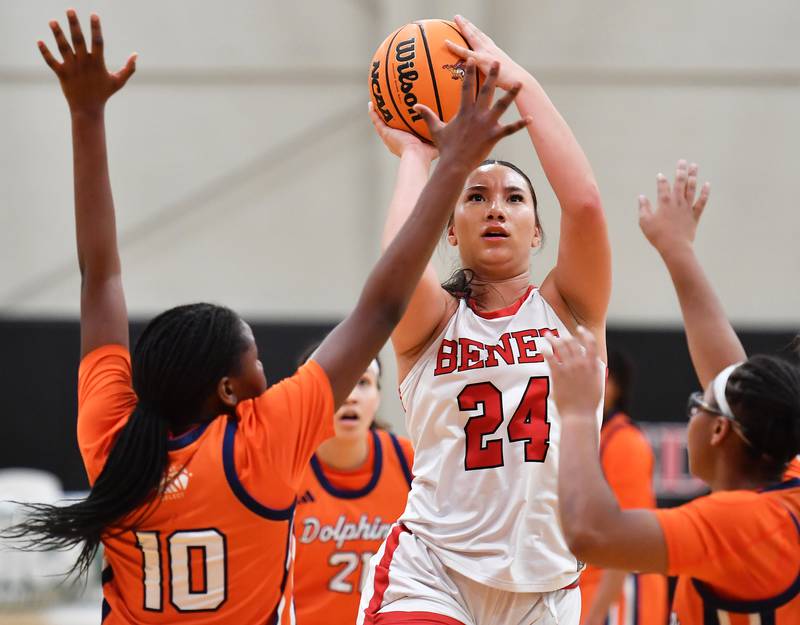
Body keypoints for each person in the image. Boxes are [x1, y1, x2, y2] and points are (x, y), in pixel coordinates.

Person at [7, 11, 530, 625]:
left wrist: (86, 117)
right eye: (254, 360)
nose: (266, 373)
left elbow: (102, 281)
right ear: (228, 391)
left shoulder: (112, 439)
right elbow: (384, 305)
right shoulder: (259, 442)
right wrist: (447, 165)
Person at [359, 14, 611, 625]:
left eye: (514, 198)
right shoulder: (430, 324)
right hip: (432, 573)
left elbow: (583, 203)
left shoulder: (569, 309)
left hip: (547, 587)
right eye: (476, 196)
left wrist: (518, 81)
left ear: (537, 231)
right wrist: (418, 154)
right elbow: (396, 267)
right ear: (449, 228)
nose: (496, 208)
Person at [550, 161, 800, 624]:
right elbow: (729, 379)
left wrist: (580, 413)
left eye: (697, 405)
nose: (694, 412)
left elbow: (592, 533)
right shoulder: (785, 479)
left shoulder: (743, 523)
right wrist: (677, 249)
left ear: (721, 430)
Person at [293, 352, 414, 625]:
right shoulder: (287, 469)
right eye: (338, 383)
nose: (351, 396)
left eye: (363, 383)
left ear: (378, 395)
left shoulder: (408, 461)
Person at [579, 350, 667, 625]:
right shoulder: (591, 436)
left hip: (624, 595)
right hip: (589, 590)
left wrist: (595, 616)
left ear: (612, 385)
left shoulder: (624, 441)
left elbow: (628, 538)